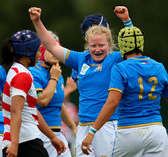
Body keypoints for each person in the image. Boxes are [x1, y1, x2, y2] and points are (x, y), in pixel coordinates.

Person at [29, 6, 132, 157]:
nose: (97, 49)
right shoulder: (80, 59)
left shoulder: (115, 59)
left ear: (109, 45)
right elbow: (51, 45)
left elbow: (132, 45)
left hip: (107, 126)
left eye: (101, 45)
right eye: (93, 46)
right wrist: (37, 21)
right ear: (87, 45)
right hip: (83, 126)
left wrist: (127, 21)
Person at [81, 26, 168, 156]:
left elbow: (112, 102)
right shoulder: (159, 67)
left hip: (129, 131)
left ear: (122, 44)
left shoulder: (120, 68)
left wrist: (92, 132)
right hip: (157, 132)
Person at [0, 30, 66, 157]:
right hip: (26, 142)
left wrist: (52, 137)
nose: (38, 55)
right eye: (37, 51)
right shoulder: (22, 75)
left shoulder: (16, 70)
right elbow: (15, 111)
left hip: (25, 140)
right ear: (28, 52)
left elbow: (32, 110)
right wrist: (14, 143)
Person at [29, 31, 77, 157]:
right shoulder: (34, 71)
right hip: (40, 134)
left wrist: (73, 127)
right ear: (42, 51)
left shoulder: (56, 71)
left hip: (58, 133)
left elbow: (58, 104)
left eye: (57, 50)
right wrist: (54, 79)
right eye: (51, 50)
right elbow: (42, 101)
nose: (55, 53)